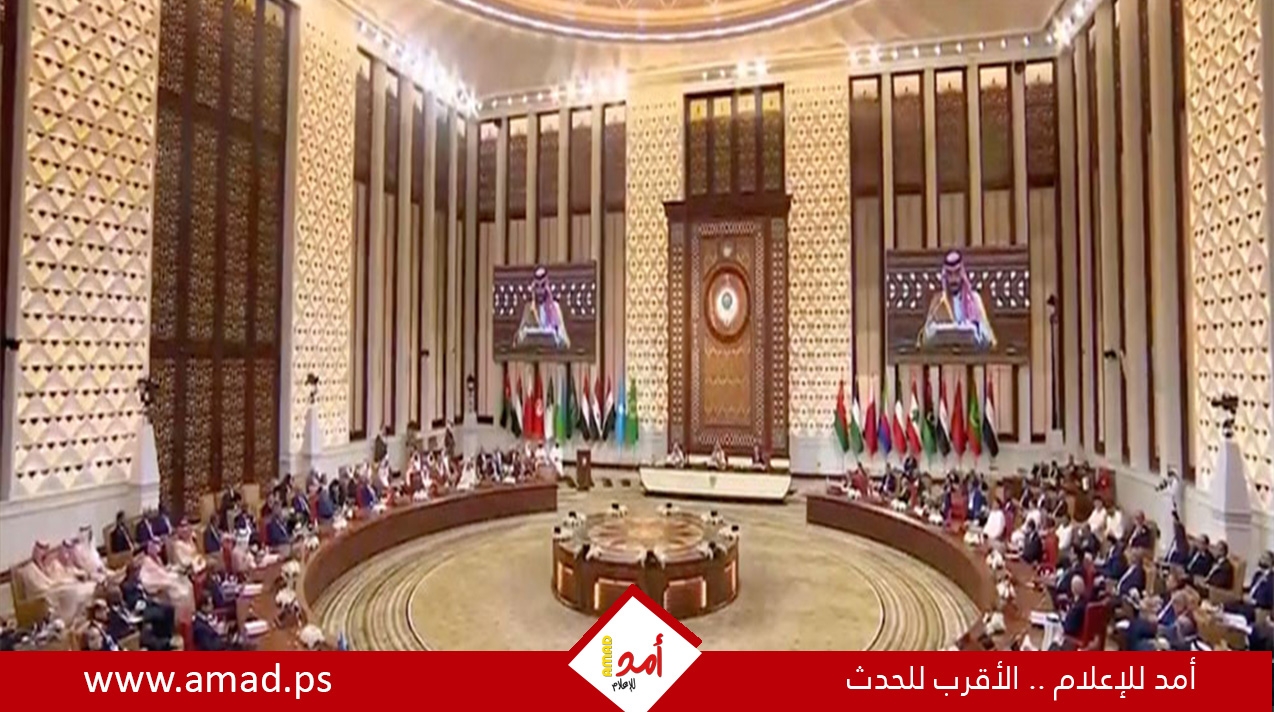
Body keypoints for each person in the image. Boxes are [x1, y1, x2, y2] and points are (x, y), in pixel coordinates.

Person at [917, 250, 997, 350]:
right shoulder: (938, 301)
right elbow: (926, 339)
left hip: (971, 355)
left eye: (957, 273)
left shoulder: (974, 299)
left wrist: (973, 330)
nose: (953, 279)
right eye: (949, 274)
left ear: (962, 274)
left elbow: (988, 338)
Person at [16, 542, 98, 623]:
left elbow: (61, 577)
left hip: (55, 590)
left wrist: (70, 579)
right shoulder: (29, 570)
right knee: (69, 592)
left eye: (45, 549)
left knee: (82, 588)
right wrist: (60, 584)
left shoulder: (51, 565)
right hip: (41, 598)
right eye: (40, 549)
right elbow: (40, 588)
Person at [514, 266, 571, 348]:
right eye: (537, 286)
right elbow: (519, 339)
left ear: (547, 287)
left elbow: (565, 341)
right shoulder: (529, 308)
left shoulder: (555, 307)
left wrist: (556, 335)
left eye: (543, 286)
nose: (540, 291)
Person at [136, 540, 194, 620]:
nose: (157, 548)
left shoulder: (157, 558)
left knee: (187, 585)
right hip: (160, 587)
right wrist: (166, 580)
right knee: (181, 593)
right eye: (153, 546)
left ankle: (190, 615)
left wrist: (169, 573)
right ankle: (180, 619)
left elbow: (163, 570)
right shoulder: (147, 561)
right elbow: (149, 579)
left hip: (167, 581)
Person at [1224, 551, 1273, 622]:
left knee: (1243, 612)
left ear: (1271, 562)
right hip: (1247, 601)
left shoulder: (1271, 579)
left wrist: (1254, 601)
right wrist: (1243, 594)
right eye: (1262, 557)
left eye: (1264, 558)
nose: (1261, 559)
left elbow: (1269, 600)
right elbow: (1251, 589)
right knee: (1228, 605)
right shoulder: (1258, 574)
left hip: (1257, 606)